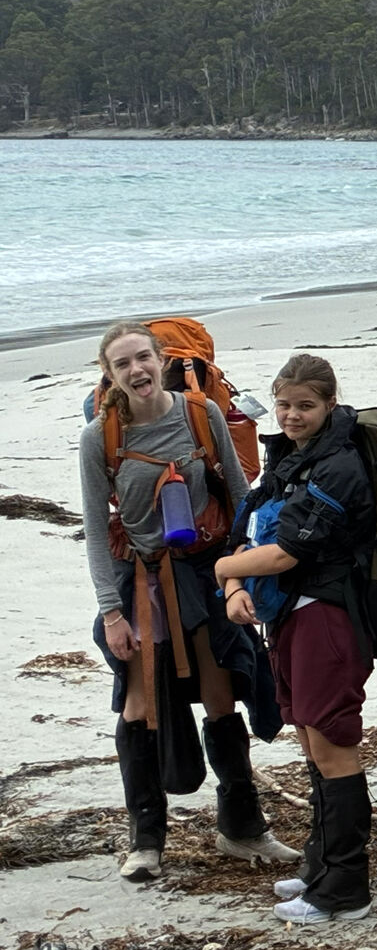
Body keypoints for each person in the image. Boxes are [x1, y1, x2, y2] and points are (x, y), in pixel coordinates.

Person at [80, 321, 295, 882]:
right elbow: (96, 530)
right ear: (110, 374)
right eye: (122, 364)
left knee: (221, 693)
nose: (136, 370)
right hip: (141, 581)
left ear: (161, 361)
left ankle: (242, 828)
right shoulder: (99, 437)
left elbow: (242, 500)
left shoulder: (201, 414)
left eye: (143, 358)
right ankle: (145, 839)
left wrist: (243, 576)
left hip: (204, 573)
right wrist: (112, 612)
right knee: (139, 705)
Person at [215, 354, 377, 924]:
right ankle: (319, 867)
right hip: (288, 615)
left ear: (330, 404)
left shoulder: (340, 465)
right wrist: (234, 583)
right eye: (283, 405)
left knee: (332, 742)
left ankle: (346, 889)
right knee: (309, 739)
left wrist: (223, 571)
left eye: (305, 406)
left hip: (327, 615)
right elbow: (246, 532)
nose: (291, 415)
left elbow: (287, 552)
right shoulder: (288, 457)